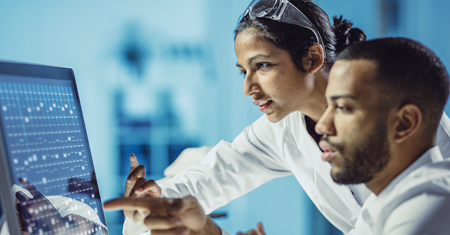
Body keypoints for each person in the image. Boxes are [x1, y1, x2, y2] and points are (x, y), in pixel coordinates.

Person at [121, 0, 450, 234]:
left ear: (313, 58)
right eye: (243, 72)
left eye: (262, 66)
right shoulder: (282, 128)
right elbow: (216, 174)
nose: (249, 87)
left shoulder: (417, 143)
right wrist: (158, 198)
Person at [315, 37, 450, 234]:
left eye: (343, 107)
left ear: (404, 123)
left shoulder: (430, 205)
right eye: (329, 106)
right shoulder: (381, 201)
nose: (322, 126)